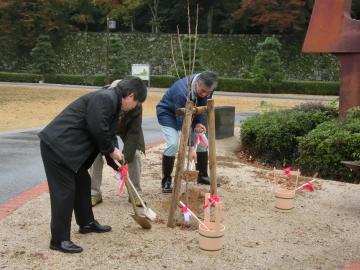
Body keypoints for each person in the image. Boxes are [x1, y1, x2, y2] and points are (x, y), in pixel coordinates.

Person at [38, 77, 147, 253]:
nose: (135, 107)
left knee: (83, 183)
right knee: (64, 192)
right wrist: (111, 150)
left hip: (70, 152)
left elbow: (108, 135)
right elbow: (97, 127)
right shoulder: (106, 98)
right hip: (58, 147)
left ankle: (86, 223)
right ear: (131, 96)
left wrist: (118, 164)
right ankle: (59, 239)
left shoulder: (113, 104)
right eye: (136, 102)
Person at [156, 71, 218, 193]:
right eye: (203, 91)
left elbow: (203, 106)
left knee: (202, 142)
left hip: (190, 112)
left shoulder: (208, 88)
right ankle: (166, 180)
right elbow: (183, 122)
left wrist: (199, 123)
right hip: (168, 113)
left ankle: (202, 175)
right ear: (197, 83)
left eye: (208, 92)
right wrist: (191, 147)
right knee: (173, 144)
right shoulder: (182, 91)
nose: (205, 94)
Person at [90, 81, 145, 207]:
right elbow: (103, 131)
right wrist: (113, 155)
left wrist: (125, 159)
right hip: (106, 130)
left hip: (127, 129)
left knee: (135, 154)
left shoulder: (135, 103)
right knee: (95, 154)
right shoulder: (104, 98)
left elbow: (134, 132)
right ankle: (94, 193)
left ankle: (135, 193)